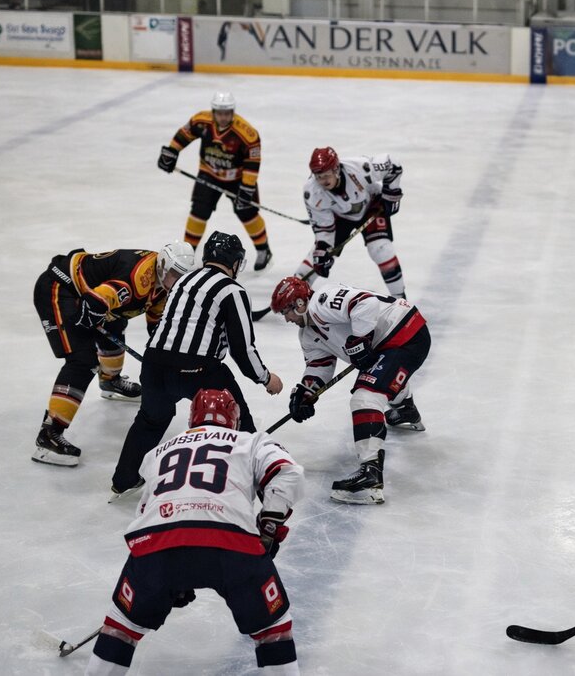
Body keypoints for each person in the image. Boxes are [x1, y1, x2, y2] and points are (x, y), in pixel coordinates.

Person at [85, 389, 304, 675]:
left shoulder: (158, 452)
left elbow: (145, 512)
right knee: (273, 630)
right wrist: (269, 528)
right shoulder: (252, 441)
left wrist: (175, 574)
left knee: (121, 625)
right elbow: (287, 473)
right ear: (234, 420)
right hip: (232, 543)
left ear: (192, 420)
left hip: (158, 543)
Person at [111, 231, 284, 496]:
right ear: (235, 262)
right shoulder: (232, 290)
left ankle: (123, 479)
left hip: (154, 365)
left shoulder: (182, 281)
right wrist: (266, 378)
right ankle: (263, 484)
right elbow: (242, 349)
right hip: (199, 370)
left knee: (151, 420)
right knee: (239, 422)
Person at [31, 242, 194, 467]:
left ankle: (110, 381)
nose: (179, 280)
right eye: (175, 274)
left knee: (115, 325)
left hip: (88, 293)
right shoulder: (139, 277)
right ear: (163, 266)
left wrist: (166, 358)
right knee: (82, 361)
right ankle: (49, 434)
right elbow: (100, 297)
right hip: (60, 288)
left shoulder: (164, 286)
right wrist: (91, 310)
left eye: (184, 276)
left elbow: (157, 326)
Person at [269, 277, 429, 505]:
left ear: (300, 304)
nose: (286, 319)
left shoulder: (322, 301)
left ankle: (371, 476)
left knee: (365, 397)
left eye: (286, 312)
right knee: (379, 375)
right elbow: (319, 365)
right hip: (389, 343)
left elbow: (366, 303)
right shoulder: (307, 334)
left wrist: (361, 338)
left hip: (404, 333)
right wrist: (306, 392)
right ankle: (405, 409)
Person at [157, 92, 274, 271]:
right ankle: (187, 253)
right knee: (198, 212)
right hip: (208, 173)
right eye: (220, 113)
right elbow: (185, 134)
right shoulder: (201, 121)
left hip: (238, 179)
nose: (223, 117)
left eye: (227, 113)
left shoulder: (246, 133)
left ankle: (263, 249)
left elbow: (253, 160)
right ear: (213, 112)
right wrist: (171, 152)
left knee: (247, 214)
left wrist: (247, 187)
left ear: (232, 112)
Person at [293, 147, 407, 298]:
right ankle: (294, 296)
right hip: (339, 217)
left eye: (326, 175)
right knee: (317, 259)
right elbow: (323, 228)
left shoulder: (360, 168)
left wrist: (390, 194)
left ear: (336, 169)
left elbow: (392, 164)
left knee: (382, 250)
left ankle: (401, 301)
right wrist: (323, 250)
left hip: (371, 206)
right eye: (319, 177)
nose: (323, 181)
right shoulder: (312, 192)